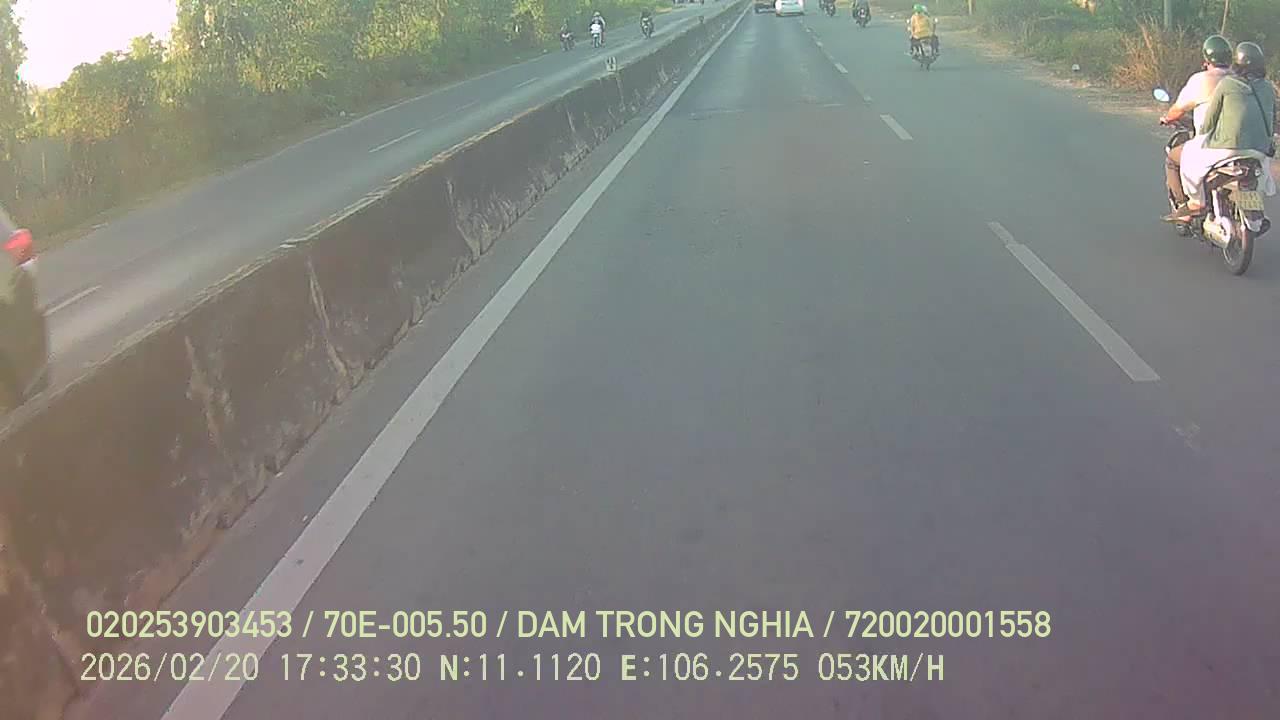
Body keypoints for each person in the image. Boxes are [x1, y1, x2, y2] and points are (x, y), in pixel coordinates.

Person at [1170, 42, 1277, 221]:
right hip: (1259, 151)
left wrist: (1204, 132)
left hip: (1226, 149)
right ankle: (1253, 216)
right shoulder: (1267, 88)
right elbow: (1272, 120)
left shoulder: (1227, 84)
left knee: (1189, 159)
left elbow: (1209, 121)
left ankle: (1196, 202)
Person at [1160, 35, 1233, 206]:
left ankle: (1183, 207)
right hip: (1245, 144)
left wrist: (1167, 118)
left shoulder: (1201, 80)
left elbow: (1177, 110)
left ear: (1206, 60)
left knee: (1172, 159)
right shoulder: (1241, 79)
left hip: (1212, 145)